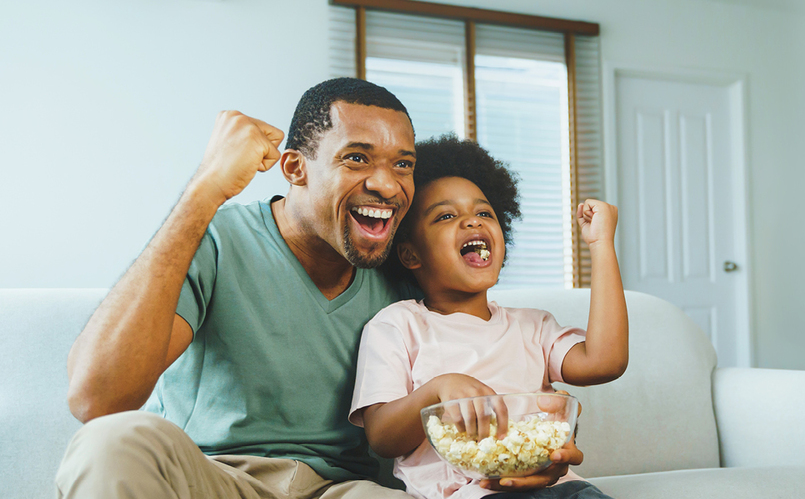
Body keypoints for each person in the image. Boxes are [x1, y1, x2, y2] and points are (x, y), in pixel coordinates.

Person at [56, 78, 584, 499]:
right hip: (215, 478)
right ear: (295, 168)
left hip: (347, 490)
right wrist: (204, 191)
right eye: (357, 157)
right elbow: (98, 398)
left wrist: (524, 458)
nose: (387, 183)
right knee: (109, 444)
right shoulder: (219, 240)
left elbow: (482, 368)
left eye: (403, 164)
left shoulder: (404, 266)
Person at [349, 135, 627, 499]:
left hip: (562, 488)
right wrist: (437, 390)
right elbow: (382, 437)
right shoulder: (397, 326)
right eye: (446, 216)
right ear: (410, 255)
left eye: (484, 213)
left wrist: (601, 245)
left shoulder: (533, 327)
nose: (471, 222)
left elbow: (605, 362)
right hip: (470, 493)